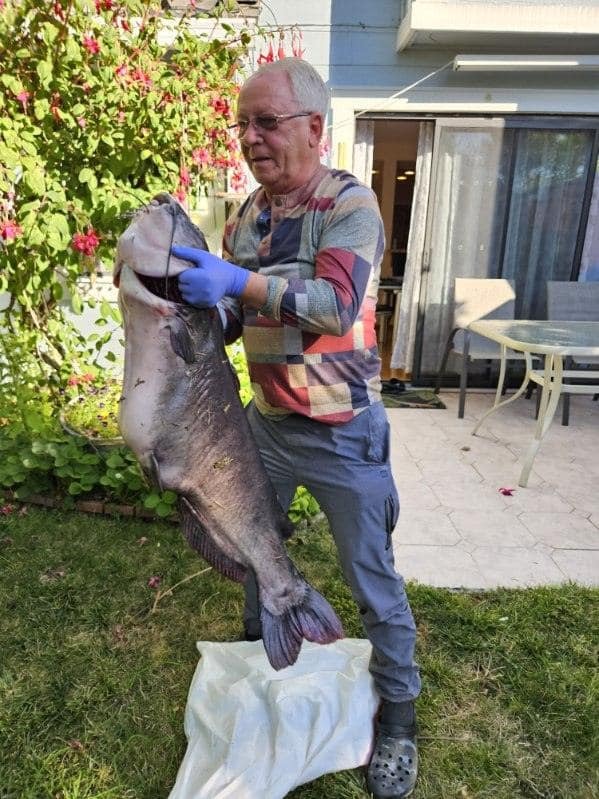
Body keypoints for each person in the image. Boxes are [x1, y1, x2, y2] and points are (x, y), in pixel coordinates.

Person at [171, 57, 421, 799]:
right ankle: (261, 658)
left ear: (315, 127)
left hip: (343, 429)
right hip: (268, 424)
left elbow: (332, 306)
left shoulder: (350, 205)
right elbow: (238, 312)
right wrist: (197, 300)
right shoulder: (249, 214)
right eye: (242, 123)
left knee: (370, 580)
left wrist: (235, 283)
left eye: (265, 121)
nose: (249, 137)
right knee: (254, 551)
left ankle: (399, 716)